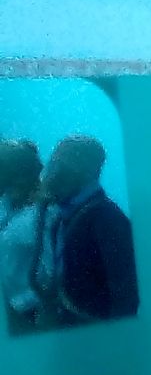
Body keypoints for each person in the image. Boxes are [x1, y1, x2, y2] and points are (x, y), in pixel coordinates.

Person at [36, 135, 139, 325]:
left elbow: (125, 289)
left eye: (60, 165)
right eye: (53, 163)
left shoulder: (107, 218)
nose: (51, 173)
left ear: (86, 171)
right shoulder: (62, 216)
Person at [0, 139, 45, 333]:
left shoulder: (45, 214)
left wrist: (16, 306)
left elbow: (55, 275)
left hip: (29, 316)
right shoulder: (5, 205)